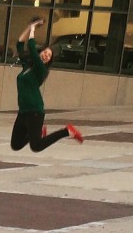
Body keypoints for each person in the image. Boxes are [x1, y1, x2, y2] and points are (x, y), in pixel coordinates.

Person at [10, 16, 84, 152]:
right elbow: (20, 44)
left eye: (49, 55)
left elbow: (31, 47)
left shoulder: (41, 69)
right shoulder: (27, 66)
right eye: (45, 52)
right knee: (15, 145)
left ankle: (66, 131)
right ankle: (39, 134)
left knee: (36, 147)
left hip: (35, 111)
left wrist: (33, 29)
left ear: (49, 60)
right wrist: (29, 27)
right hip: (23, 111)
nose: (46, 55)